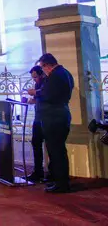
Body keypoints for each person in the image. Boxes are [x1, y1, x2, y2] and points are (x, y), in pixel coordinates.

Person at [28, 53, 74, 193]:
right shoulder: (65, 73)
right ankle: (59, 181)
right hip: (59, 116)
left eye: (43, 67)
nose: (43, 71)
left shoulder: (56, 75)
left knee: (57, 151)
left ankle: (61, 184)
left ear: (47, 65)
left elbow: (48, 94)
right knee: (57, 150)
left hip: (54, 118)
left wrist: (36, 93)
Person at [27, 65, 47, 183]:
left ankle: (50, 172)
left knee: (49, 146)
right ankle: (38, 171)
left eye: (35, 77)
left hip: (46, 118)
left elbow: (45, 96)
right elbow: (38, 99)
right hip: (38, 118)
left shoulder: (46, 83)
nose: (34, 80)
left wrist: (35, 94)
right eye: (33, 78)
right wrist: (32, 100)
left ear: (41, 74)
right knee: (36, 143)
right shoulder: (37, 84)